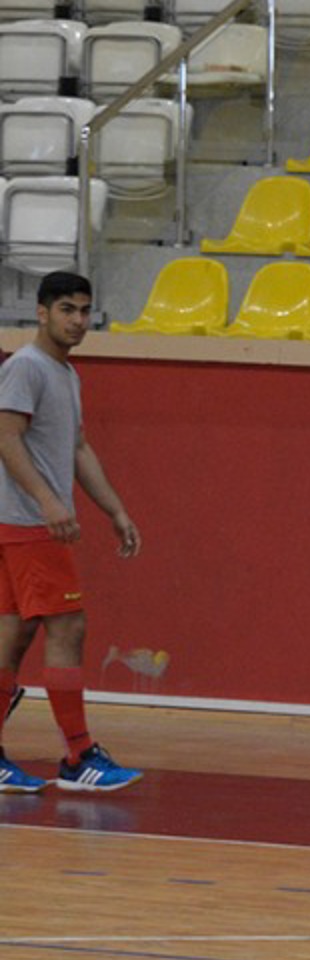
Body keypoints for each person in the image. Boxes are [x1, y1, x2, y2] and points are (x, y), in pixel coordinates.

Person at [0, 271, 143, 794]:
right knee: (68, 626)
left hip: (21, 522)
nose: (78, 320)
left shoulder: (65, 373)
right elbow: (6, 437)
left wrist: (115, 510)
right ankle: (79, 756)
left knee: (13, 635)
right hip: (27, 522)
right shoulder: (27, 367)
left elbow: (78, 449)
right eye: (67, 309)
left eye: (84, 310)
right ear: (41, 313)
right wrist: (47, 501)